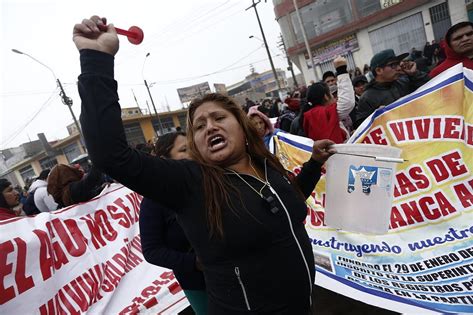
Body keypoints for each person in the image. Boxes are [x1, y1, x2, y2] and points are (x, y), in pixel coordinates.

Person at [73, 15, 336, 314]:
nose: (209, 127)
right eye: (199, 126)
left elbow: (290, 202)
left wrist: (314, 164)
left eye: (219, 118)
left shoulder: (265, 166)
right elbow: (110, 154)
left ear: (242, 126)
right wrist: (96, 60)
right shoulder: (190, 183)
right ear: (196, 144)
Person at [140, 131, 207, 315]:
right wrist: (194, 262)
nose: (192, 154)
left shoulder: (208, 181)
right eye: (184, 150)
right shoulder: (152, 201)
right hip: (198, 284)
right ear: (164, 159)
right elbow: (152, 251)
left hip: (231, 272)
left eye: (192, 148)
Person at [355, 49, 429, 129]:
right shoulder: (367, 98)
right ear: (379, 70)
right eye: (393, 65)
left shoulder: (405, 81)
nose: (399, 68)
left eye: (398, 64)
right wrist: (375, 117)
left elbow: (431, 89)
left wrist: (414, 74)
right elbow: (361, 129)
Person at [304, 56, 355, 142]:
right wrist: (341, 70)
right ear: (326, 96)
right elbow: (347, 101)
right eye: (331, 94)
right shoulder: (324, 113)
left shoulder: (310, 115)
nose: (335, 99)